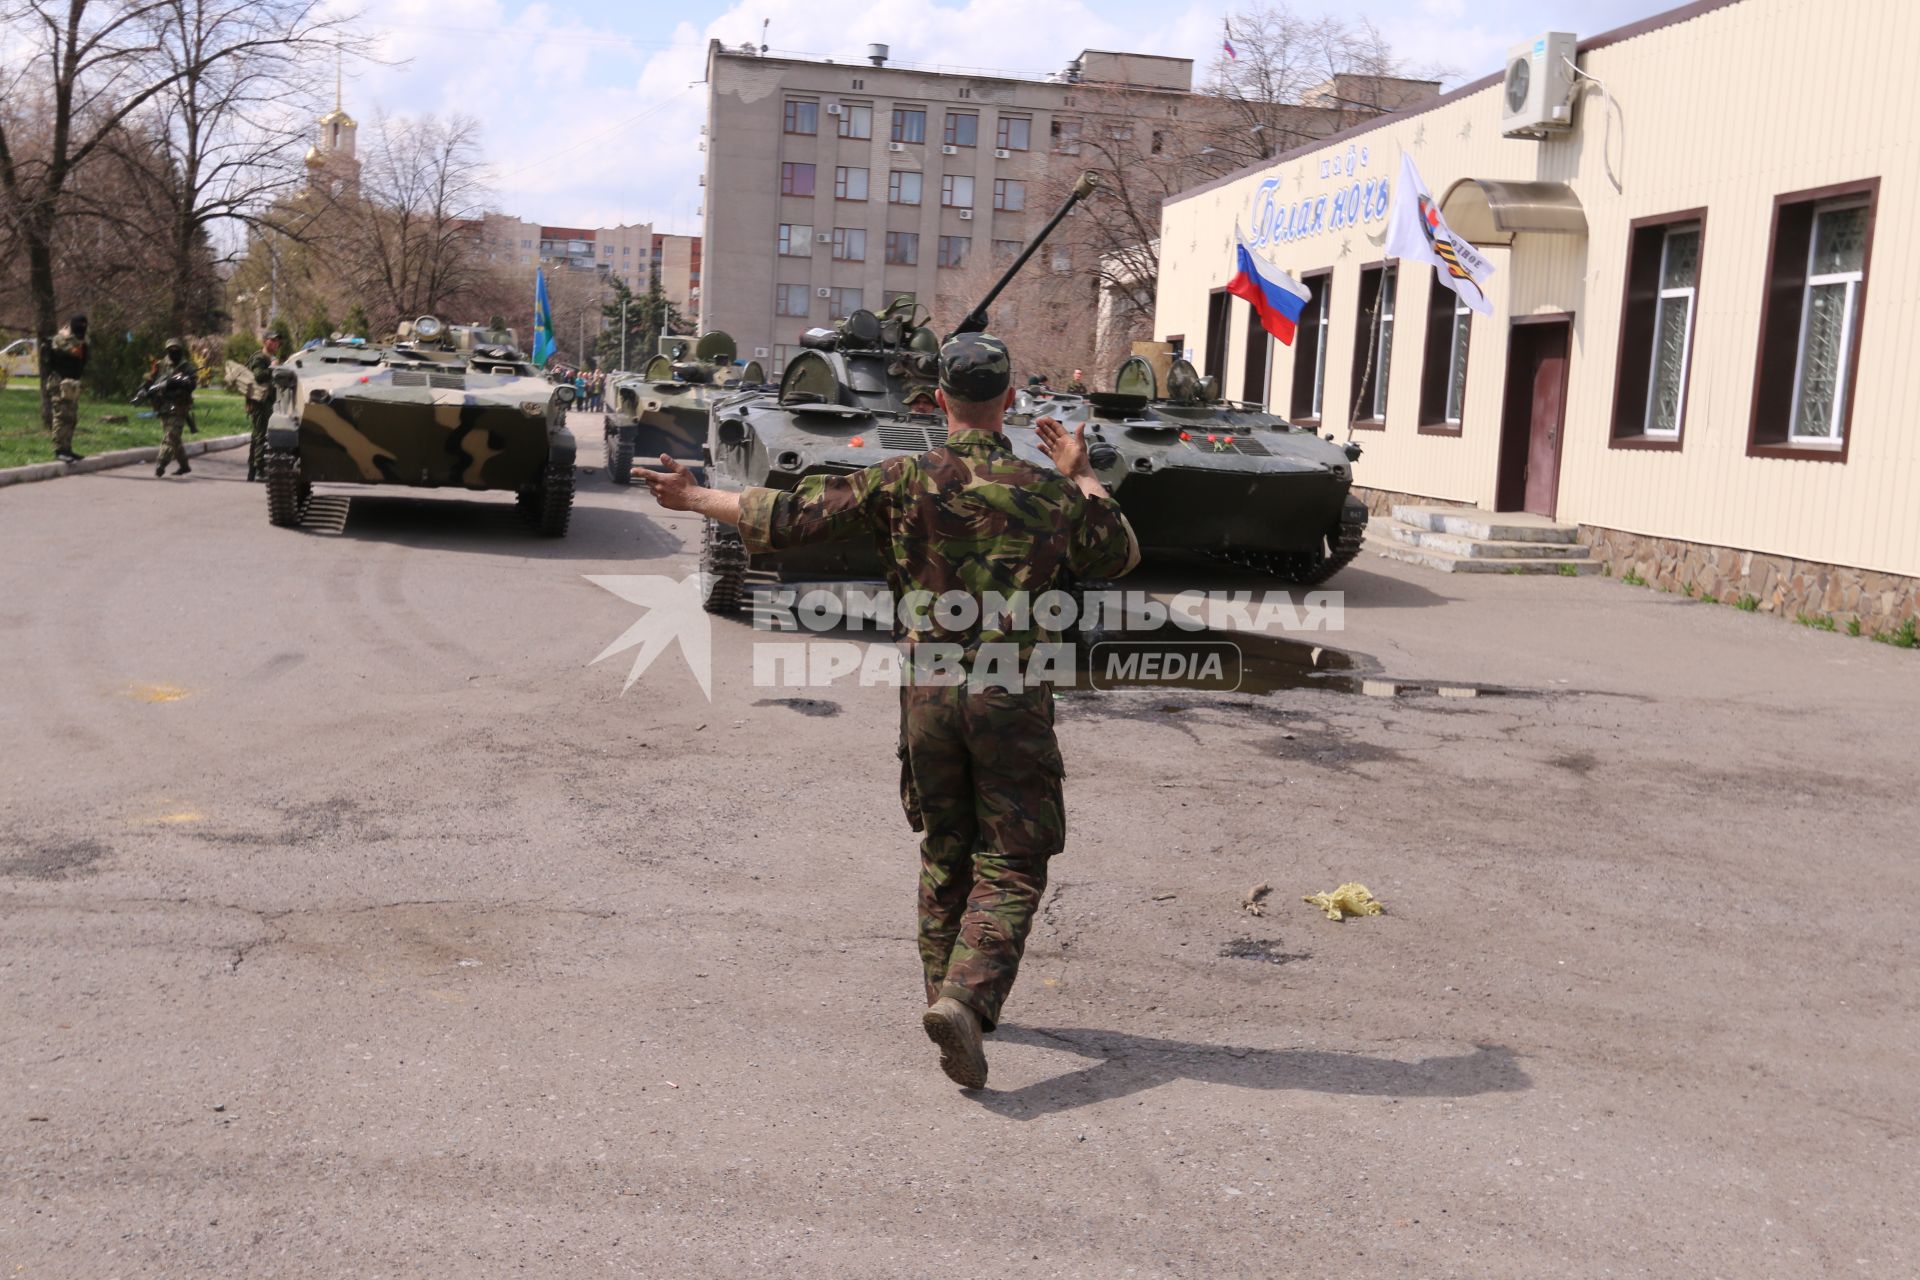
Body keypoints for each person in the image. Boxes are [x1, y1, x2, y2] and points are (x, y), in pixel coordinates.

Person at [639, 333, 1140, 1089]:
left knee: (945, 842)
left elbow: (795, 513)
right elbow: (1121, 552)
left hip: (930, 695)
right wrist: (1082, 473)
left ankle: (944, 993)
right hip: (1013, 697)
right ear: (1009, 403)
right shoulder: (1048, 493)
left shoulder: (901, 479)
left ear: (938, 402)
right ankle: (967, 1001)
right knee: (1012, 855)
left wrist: (695, 496)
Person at [144, 339, 198, 477]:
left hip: (180, 407)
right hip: (163, 406)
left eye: (176, 349)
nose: (173, 352)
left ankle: (161, 463)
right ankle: (184, 465)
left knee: (171, 436)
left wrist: (178, 382)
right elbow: (151, 380)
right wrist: (147, 388)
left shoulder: (187, 367)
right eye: (170, 350)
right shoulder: (161, 365)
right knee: (174, 439)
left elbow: (192, 384)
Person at [43, 315, 90, 463]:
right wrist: (67, 336)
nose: (82, 330)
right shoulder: (60, 339)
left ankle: (67, 448)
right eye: (79, 326)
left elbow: (84, 352)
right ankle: (59, 450)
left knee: (71, 418)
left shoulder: (81, 339)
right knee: (61, 416)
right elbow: (73, 351)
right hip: (59, 383)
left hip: (72, 384)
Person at [245, 333, 283, 483]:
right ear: (265, 341)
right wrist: (272, 368)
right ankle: (260, 469)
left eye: (277, 341)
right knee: (260, 435)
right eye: (272, 340)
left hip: (267, 401)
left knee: (257, 435)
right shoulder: (260, 358)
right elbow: (258, 376)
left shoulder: (270, 358)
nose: (275, 343)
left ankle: (252, 470)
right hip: (259, 402)